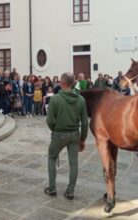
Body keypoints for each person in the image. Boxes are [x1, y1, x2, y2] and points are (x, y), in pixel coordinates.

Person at [44, 72, 88, 201]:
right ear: (73, 83)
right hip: (75, 134)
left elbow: (49, 121)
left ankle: (52, 189)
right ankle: (70, 192)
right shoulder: (81, 99)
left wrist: (55, 129)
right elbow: (85, 122)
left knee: (52, 158)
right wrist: (83, 139)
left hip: (59, 134)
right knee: (73, 163)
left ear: (62, 83)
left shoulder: (55, 99)